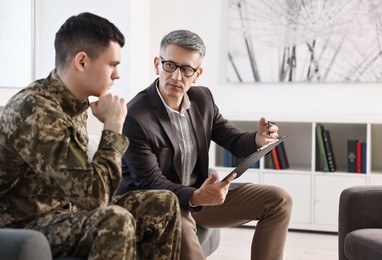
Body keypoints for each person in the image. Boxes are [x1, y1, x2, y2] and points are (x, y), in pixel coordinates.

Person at [0, 12, 181, 260]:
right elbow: (96, 198)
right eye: (112, 65)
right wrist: (113, 127)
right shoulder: (35, 110)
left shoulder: (76, 105)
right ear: (82, 61)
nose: (117, 75)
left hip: (66, 212)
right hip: (25, 225)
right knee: (114, 221)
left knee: (164, 203)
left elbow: (87, 193)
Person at [118, 29, 293, 260]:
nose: (176, 77)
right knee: (176, 214)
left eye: (186, 69)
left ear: (197, 74)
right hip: (157, 202)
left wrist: (257, 139)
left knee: (279, 200)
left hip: (200, 196)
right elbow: (151, 182)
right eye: (169, 65)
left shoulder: (203, 100)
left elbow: (233, 139)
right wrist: (197, 196)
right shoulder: (135, 115)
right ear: (156, 64)